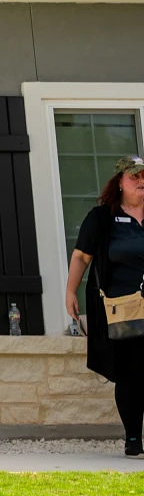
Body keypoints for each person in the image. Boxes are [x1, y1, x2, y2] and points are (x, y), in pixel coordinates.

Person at [65, 153, 144, 456]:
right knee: (130, 372)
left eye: (143, 177)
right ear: (120, 182)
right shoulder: (102, 218)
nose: (140, 182)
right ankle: (134, 438)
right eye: (134, 176)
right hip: (122, 309)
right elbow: (81, 256)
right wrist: (71, 292)